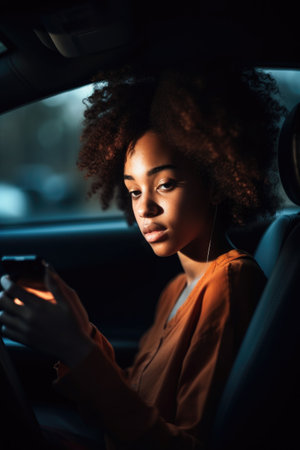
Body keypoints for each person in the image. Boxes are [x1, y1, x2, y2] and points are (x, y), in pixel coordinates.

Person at [0, 62, 286, 449]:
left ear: (217, 182)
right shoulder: (176, 289)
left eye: (164, 184)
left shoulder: (230, 284)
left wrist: (76, 348)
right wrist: (81, 332)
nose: (144, 208)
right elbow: (133, 397)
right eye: (134, 191)